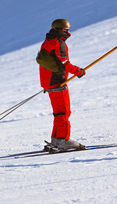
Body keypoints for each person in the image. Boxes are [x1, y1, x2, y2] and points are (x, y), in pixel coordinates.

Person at [38, 19, 86, 150]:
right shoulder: (58, 42)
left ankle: (56, 140)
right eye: (65, 29)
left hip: (48, 82)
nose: (68, 32)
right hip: (57, 82)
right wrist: (78, 71)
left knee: (59, 112)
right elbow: (65, 63)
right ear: (59, 29)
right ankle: (62, 141)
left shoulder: (47, 41)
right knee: (64, 112)